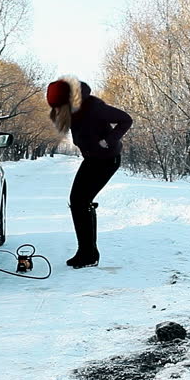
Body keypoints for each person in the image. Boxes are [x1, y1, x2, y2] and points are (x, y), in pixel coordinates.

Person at [46, 75, 133, 269]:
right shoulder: (74, 111)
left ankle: (88, 254)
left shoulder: (93, 107)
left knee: (79, 201)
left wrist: (108, 141)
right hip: (94, 159)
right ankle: (87, 252)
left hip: (107, 159)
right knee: (79, 201)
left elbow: (126, 120)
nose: (57, 110)